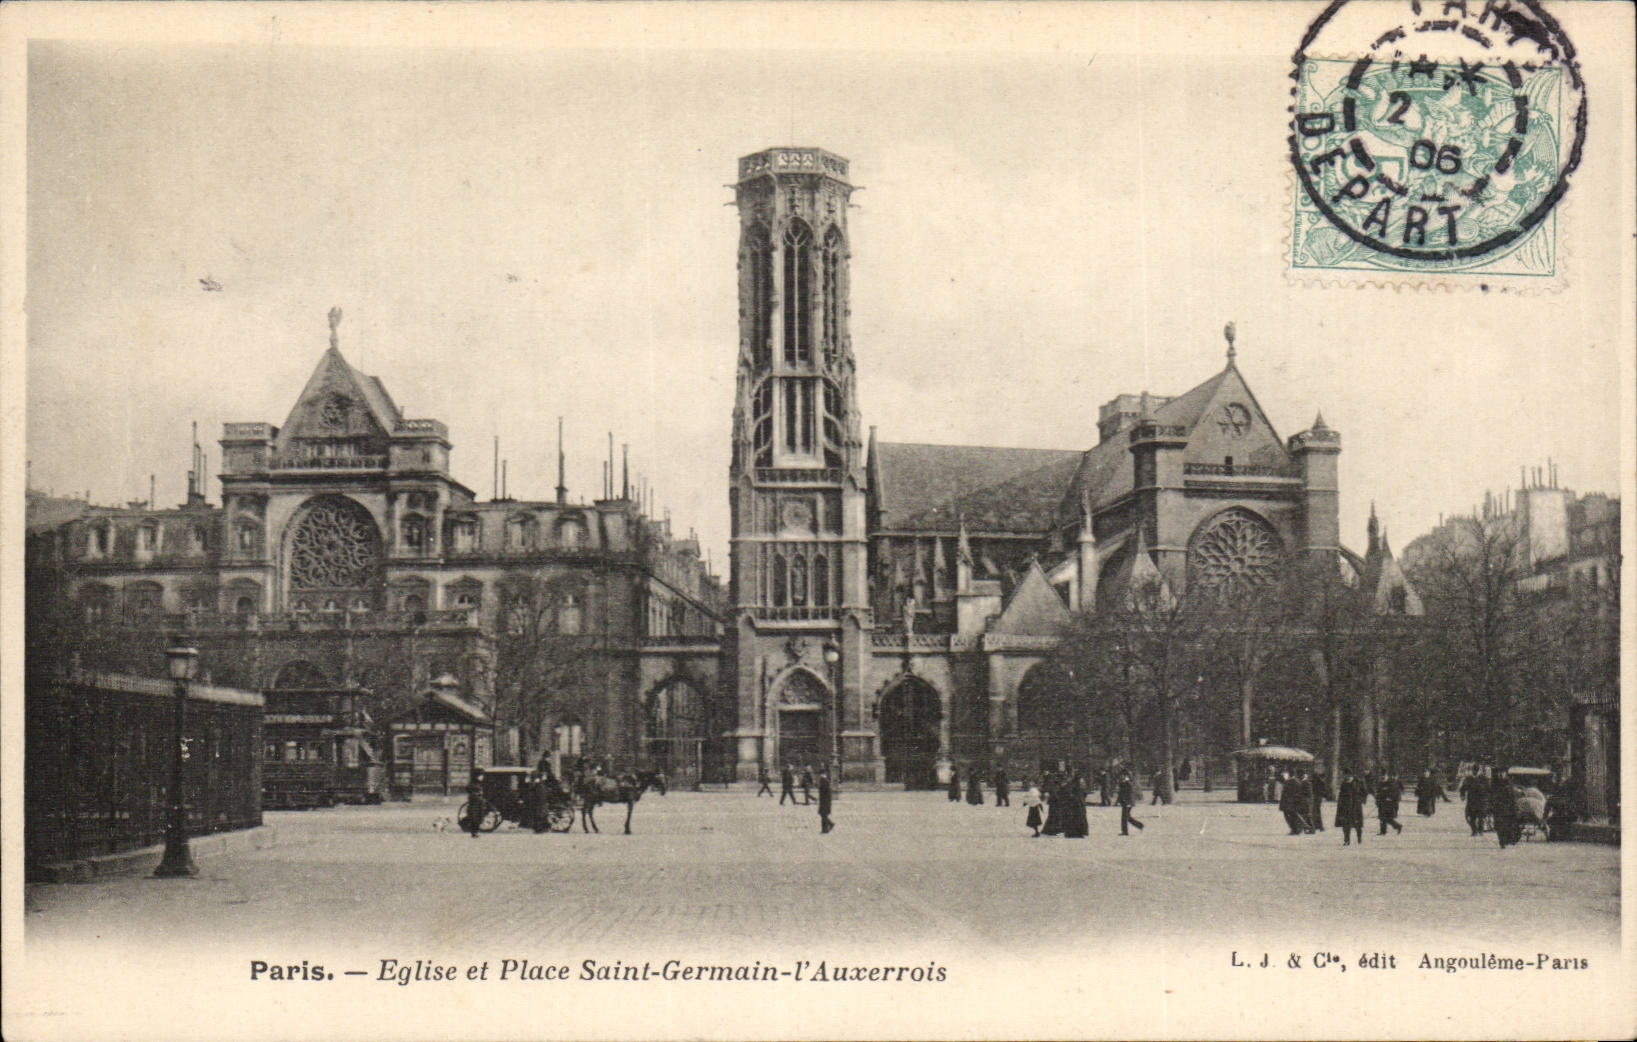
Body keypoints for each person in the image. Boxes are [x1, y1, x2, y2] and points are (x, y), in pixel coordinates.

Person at [1336, 768, 1366, 845]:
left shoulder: (1358, 783)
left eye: (1347, 775)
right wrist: (1340, 804)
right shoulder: (1344, 784)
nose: (1346, 777)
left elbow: (1364, 792)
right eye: (1345, 776)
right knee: (1345, 824)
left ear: (1351, 775)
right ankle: (1346, 840)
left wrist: (1361, 800)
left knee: (1357, 824)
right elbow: (1341, 795)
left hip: (1356, 807)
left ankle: (1359, 837)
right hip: (1346, 807)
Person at [1491, 767, 1520, 848]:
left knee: (1507, 825)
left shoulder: (1509, 783)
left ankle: (1506, 840)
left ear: (1505, 774)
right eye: (1499, 773)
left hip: (1508, 808)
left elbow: (1512, 797)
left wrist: (1514, 808)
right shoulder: (1494, 783)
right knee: (1499, 826)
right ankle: (1502, 841)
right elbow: (1491, 795)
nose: (1500, 775)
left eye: (1502, 773)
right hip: (1498, 808)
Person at [1460, 765, 1490, 835]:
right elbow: (1463, 788)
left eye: (1476, 770)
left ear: (1478, 771)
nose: (1475, 772)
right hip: (1471, 801)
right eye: (1474, 770)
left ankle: (1480, 830)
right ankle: (1474, 830)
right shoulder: (1469, 778)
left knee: (1480, 817)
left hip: (1481, 800)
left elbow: (1488, 788)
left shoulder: (1483, 778)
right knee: (1469, 817)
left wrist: (1488, 797)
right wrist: (1462, 795)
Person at [1278, 771, 1309, 835]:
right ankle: (1297, 829)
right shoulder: (1291, 781)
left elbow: (1295, 793)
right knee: (1292, 816)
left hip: (1291, 803)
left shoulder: (1293, 782)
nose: (1283, 777)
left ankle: (1297, 829)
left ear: (1288, 775)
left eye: (1284, 775)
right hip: (1289, 803)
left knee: (1292, 816)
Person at [1117, 770, 1144, 835]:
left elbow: (1130, 794)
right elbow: (1120, 793)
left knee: (1124, 817)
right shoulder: (1123, 783)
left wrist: (1129, 802)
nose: (1121, 776)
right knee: (1127, 817)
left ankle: (1125, 831)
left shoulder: (1128, 783)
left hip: (1128, 802)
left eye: (1122, 775)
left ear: (1125, 776)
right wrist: (1119, 801)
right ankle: (1139, 825)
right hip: (1125, 802)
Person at [1063, 772, 1089, 838]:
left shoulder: (1073, 784)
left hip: (1076, 803)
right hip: (1076, 804)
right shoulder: (1079, 784)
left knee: (1077, 818)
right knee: (1078, 818)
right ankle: (1078, 833)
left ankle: (1076, 833)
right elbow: (1085, 793)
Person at [817, 768, 834, 834]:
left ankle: (825, 829)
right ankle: (829, 825)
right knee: (823, 815)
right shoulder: (825, 781)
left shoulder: (823, 781)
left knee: (823, 815)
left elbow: (824, 793)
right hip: (825, 801)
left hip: (824, 801)